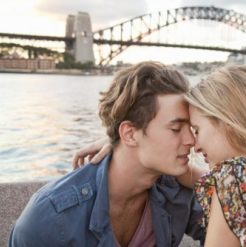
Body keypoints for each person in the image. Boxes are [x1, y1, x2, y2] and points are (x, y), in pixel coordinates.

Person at [79, 64, 246, 246]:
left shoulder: (236, 178)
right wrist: (126, 143)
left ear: (227, 123)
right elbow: (193, 178)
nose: (194, 144)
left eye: (197, 130)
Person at [8, 61, 205, 247]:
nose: (192, 140)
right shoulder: (49, 219)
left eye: (192, 128)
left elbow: (233, 221)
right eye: (176, 128)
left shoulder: (175, 190)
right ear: (129, 134)